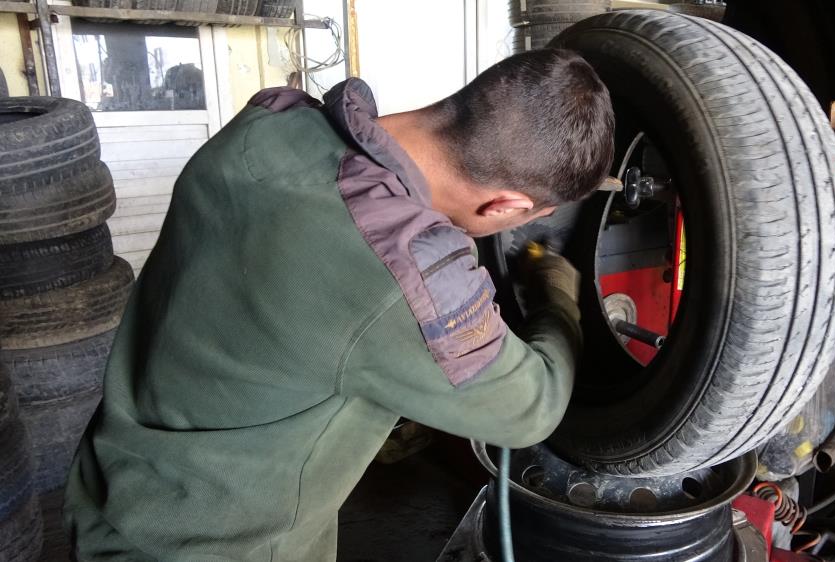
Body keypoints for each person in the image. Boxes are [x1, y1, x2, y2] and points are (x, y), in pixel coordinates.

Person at [64, 48, 615, 560]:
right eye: (529, 218)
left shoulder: (268, 122)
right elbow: (531, 408)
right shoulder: (399, 268)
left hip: (109, 494)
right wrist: (557, 299)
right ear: (506, 205)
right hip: (216, 546)